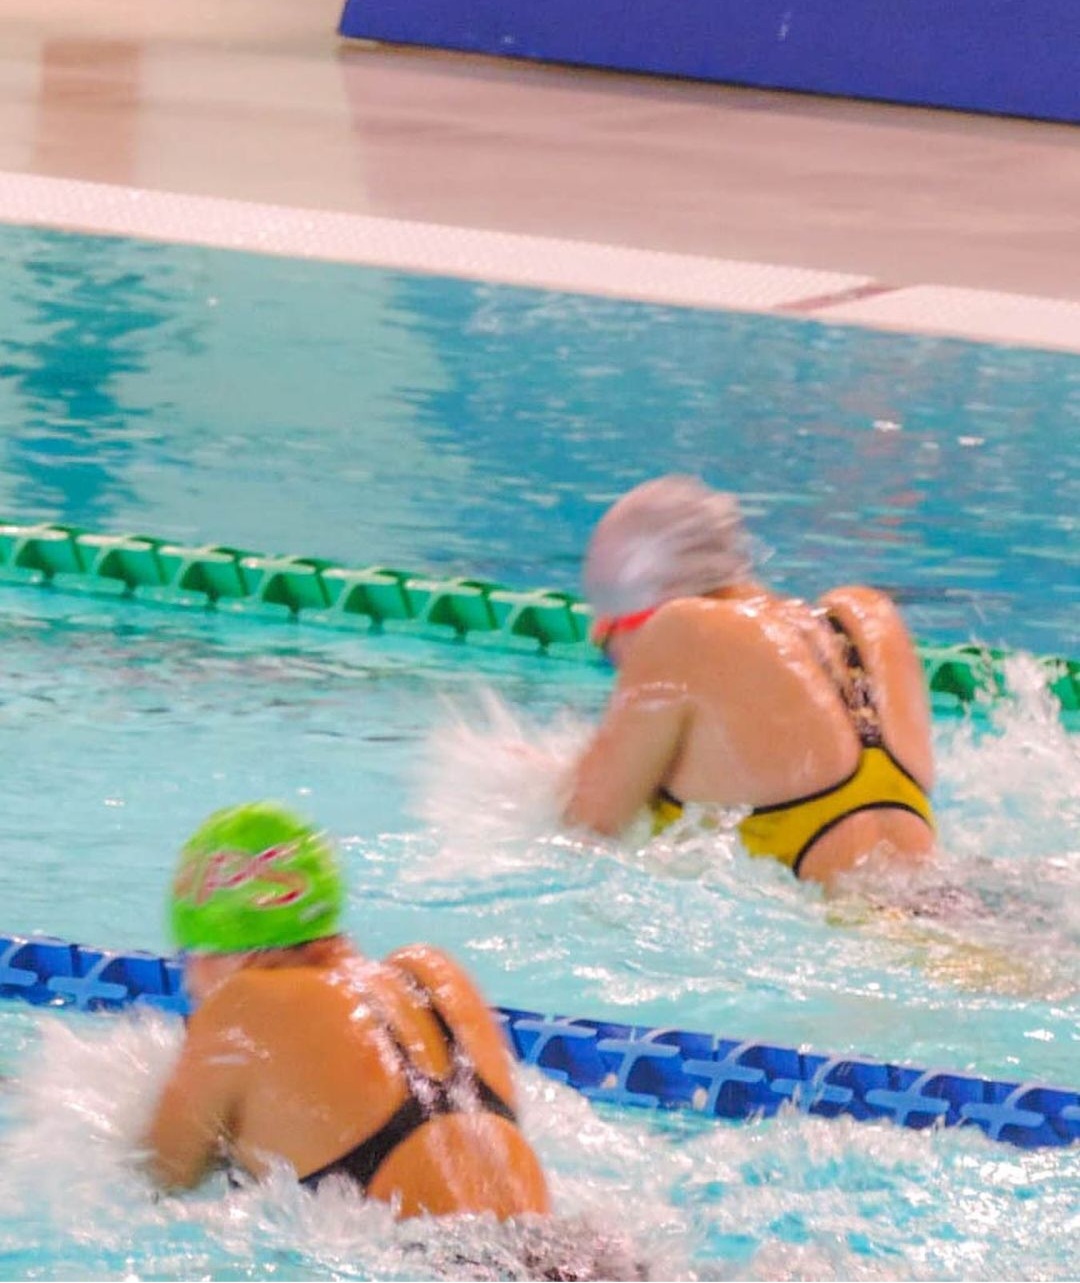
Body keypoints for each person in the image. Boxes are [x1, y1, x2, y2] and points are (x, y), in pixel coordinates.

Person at [146, 801, 550, 1219]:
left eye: (188, 955)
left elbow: (159, 1175)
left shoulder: (242, 1005)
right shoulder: (436, 976)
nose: (190, 982)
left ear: (220, 949)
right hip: (565, 1245)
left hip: (439, 1255)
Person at [564, 475, 936, 889]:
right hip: (950, 901)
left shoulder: (681, 630)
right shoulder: (870, 616)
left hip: (853, 923)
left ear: (643, 611)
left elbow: (584, 828)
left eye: (608, 647)